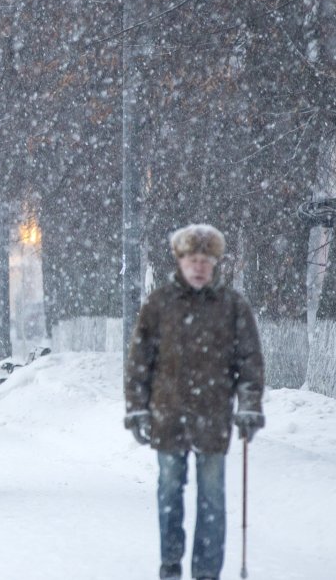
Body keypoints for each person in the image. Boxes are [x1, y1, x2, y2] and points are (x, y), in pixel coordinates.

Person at [124, 224, 266, 580]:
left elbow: (250, 362)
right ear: (180, 260)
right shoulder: (159, 304)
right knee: (169, 494)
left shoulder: (232, 306)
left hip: (212, 418)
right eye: (192, 259)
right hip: (167, 416)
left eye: (206, 260)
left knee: (212, 499)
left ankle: (206, 572)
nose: (199, 267)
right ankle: (170, 565)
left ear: (215, 263)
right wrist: (137, 408)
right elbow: (139, 361)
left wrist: (249, 405)